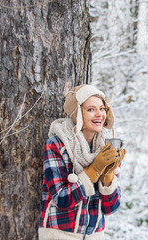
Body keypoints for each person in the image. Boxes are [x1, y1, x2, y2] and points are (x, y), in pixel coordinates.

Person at [38, 84, 126, 239]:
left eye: (102, 108)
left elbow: (110, 208)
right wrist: (94, 170)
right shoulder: (57, 144)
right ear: (77, 113)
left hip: (95, 235)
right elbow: (61, 199)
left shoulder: (106, 147)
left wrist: (108, 175)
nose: (99, 114)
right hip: (60, 234)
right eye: (90, 109)